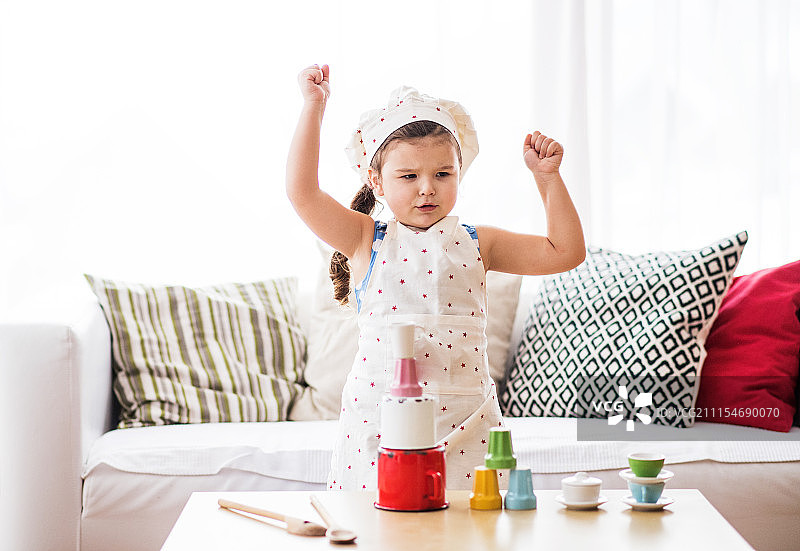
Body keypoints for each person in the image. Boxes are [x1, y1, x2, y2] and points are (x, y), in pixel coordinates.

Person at [286, 64, 585, 490]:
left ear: (459, 173)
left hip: (467, 425)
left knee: (468, 528)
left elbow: (566, 252)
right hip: (380, 426)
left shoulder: (480, 243)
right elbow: (303, 192)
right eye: (408, 176)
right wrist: (313, 107)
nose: (427, 187)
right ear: (377, 182)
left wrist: (548, 179)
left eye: (442, 174)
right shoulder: (364, 239)